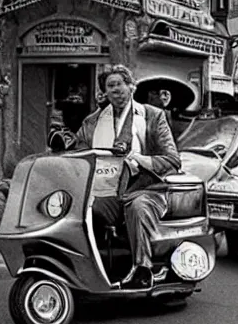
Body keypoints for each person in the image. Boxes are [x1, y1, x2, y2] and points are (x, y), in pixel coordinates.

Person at [74, 65, 181, 289]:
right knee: (81, 211)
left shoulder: (152, 116)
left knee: (138, 207)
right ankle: (86, 269)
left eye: (120, 84)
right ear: (104, 92)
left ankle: (143, 269)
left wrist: (137, 159)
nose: (116, 90)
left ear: (131, 87)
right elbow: (78, 156)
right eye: (110, 86)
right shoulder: (92, 122)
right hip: (105, 190)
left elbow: (172, 160)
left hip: (145, 189)